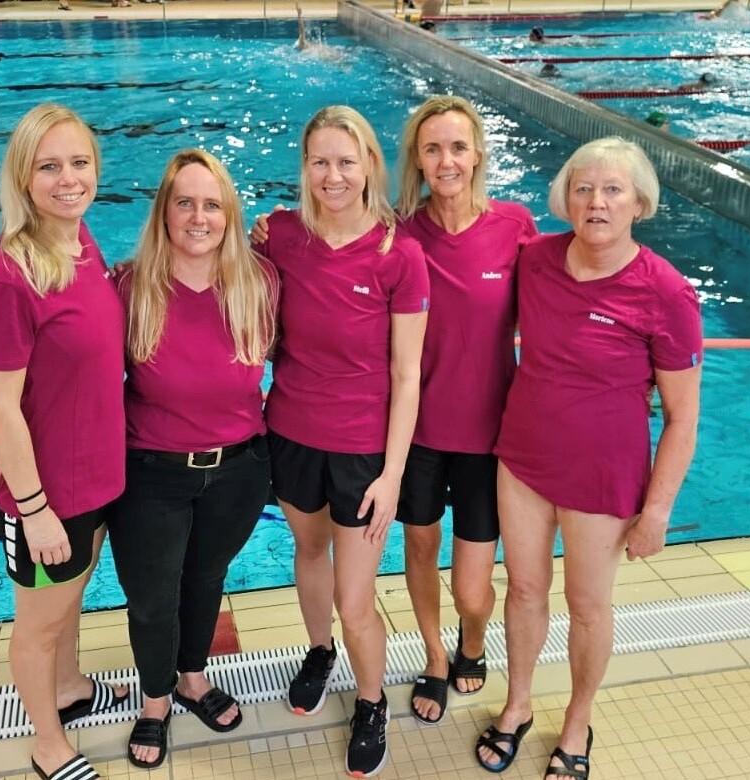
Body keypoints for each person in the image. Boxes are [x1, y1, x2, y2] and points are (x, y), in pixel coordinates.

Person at [475, 137, 702, 776]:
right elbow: (466, 263)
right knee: (522, 588)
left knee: (588, 605)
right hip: (522, 458)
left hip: (603, 475)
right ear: (565, 199)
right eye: (583, 188)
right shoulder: (538, 260)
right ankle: (518, 704)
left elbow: (683, 419)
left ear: (638, 203)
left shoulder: (665, 292)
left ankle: (577, 722)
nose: (595, 202)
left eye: (612, 190)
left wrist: (657, 509)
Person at [253, 105, 429, 778]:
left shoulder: (398, 255)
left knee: (357, 600)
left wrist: (392, 473)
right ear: (305, 167)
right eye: (320, 162)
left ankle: (372, 700)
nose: (332, 175)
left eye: (345, 162)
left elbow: (407, 375)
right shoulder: (281, 236)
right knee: (308, 550)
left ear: (369, 168)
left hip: (361, 453)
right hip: (290, 432)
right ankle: (319, 652)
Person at [0, 103, 129, 780]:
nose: (68, 179)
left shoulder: (81, 244)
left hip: (96, 479)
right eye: (50, 166)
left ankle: (69, 691)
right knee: (37, 624)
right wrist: (33, 510)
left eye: (79, 163)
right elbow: (1, 409)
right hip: (46, 497)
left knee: (69, 603)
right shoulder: (9, 278)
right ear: (23, 177)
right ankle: (47, 742)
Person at [108, 149, 277, 770]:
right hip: (151, 471)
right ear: (165, 212)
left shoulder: (260, 282)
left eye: (212, 205)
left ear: (230, 215)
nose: (198, 217)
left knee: (206, 579)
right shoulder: (129, 286)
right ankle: (154, 700)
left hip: (238, 468)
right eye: (185, 203)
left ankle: (191, 676)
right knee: (153, 597)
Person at [393, 96, 538, 727]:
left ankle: (472, 641)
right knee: (421, 549)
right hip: (417, 434)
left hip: (487, 438)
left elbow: (554, 312)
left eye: (457, 147)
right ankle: (431, 655)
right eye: (432, 149)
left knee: (473, 588)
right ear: (418, 161)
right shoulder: (400, 232)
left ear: (477, 153)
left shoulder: (514, 227)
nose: (446, 160)